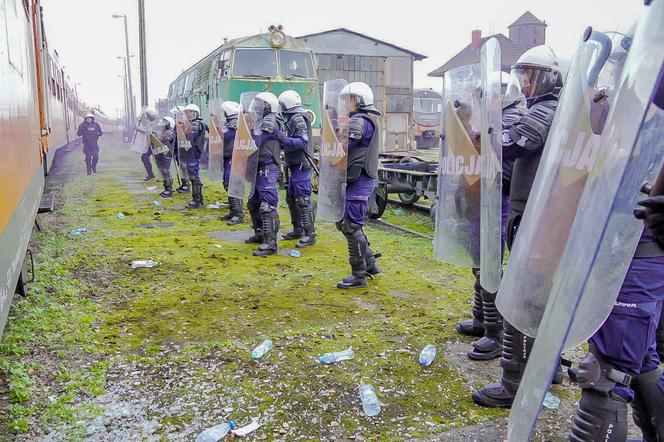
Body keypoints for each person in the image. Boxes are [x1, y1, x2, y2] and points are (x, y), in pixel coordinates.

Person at [567, 83, 664, 441]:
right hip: (624, 249)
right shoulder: (637, 119)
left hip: (640, 251)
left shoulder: (652, 123)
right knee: (640, 363)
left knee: (606, 374)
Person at [472, 45, 563, 407]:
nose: (526, 84)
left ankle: (513, 383)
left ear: (554, 78)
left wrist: (485, 138)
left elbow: (518, 141)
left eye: (534, 76)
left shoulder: (547, 108)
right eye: (523, 76)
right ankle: (548, 367)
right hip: (538, 210)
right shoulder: (548, 107)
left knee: (519, 296)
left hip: (537, 213)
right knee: (538, 297)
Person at [335, 82, 383, 289]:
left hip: (360, 179)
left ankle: (359, 275)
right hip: (357, 178)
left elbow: (347, 145)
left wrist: (333, 148)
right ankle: (370, 264)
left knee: (351, 226)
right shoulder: (362, 119)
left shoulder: (360, 120)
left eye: (349, 99)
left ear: (359, 100)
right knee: (346, 223)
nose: (346, 103)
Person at [244, 92, 283, 256]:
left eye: (260, 103)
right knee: (253, 203)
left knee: (267, 205)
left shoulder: (270, 120)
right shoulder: (259, 121)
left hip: (267, 166)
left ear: (267, 105)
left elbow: (258, 139)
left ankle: (270, 242)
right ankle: (260, 233)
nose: (256, 106)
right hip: (257, 166)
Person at [277, 90, 316, 247]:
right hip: (295, 164)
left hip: (302, 164)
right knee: (291, 198)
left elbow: (301, 142)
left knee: (303, 199)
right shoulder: (291, 118)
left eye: (281, 104)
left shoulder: (298, 118)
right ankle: (298, 229)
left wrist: (283, 139)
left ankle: (310, 234)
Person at [219, 101, 244, 225]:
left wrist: (219, 132)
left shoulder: (234, 123)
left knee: (233, 184)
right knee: (228, 183)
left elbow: (228, 135)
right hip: (228, 157)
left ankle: (238, 213)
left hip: (233, 158)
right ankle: (233, 210)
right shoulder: (230, 122)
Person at [180, 103, 207, 208]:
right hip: (192, 153)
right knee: (193, 176)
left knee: (193, 176)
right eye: (186, 112)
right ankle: (198, 199)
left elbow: (190, 139)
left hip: (193, 153)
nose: (187, 114)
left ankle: (197, 200)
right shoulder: (194, 124)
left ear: (194, 113)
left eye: (189, 112)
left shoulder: (195, 124)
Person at [152, 116, 176, 198]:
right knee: (163, 170)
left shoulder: (169, 132)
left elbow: (166, 143)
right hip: (162, 153)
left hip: (167, 154)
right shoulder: (165, 131)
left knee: (165, 170)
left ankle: (169, 189)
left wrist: (158, 140)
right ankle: (166, 188)